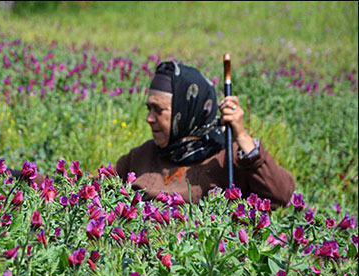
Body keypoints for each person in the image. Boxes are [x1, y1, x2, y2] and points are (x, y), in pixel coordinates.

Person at [113, 61, 295, 209]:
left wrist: (242, 136)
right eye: (149, 109)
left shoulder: (227, 157)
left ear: (185, 110)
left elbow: (279, 195)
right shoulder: (141, 156)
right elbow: (96, 190)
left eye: (158, 110)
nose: (149, 118)